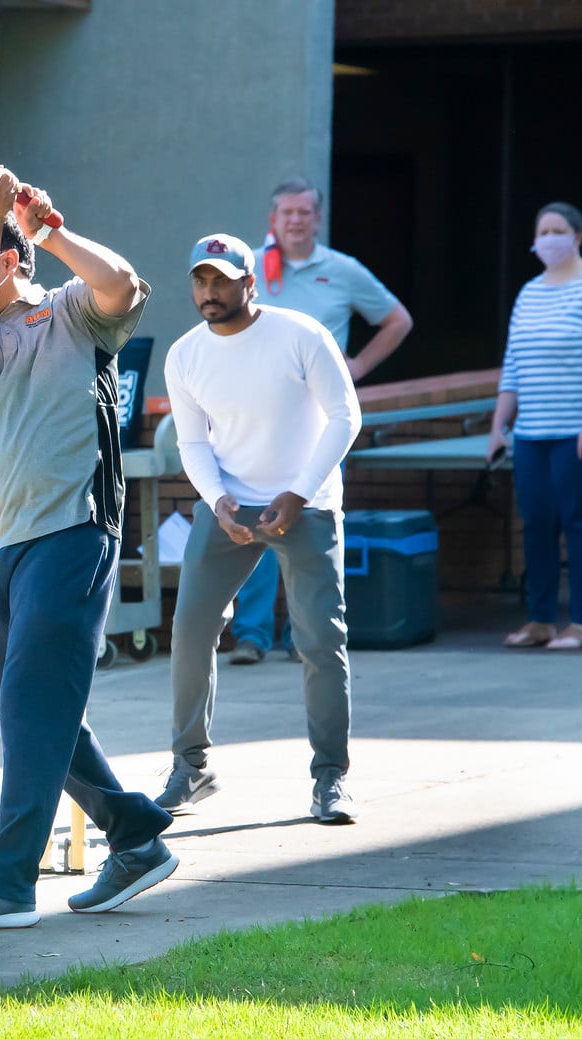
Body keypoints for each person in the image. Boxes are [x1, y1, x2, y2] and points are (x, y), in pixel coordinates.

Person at [0, 171, 176, 931]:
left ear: (13, 259)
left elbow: (121, 283)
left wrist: (46, 227)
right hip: (3, 549)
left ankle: (5, 883)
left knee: (34, 704)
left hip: (74, 529)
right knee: (42, 713)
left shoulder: (71, 316)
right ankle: (134, 836)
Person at [159, 233, 362, 821]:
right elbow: (193, 441)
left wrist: (298, 493)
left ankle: (331, 777)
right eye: (201, 280)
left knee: (320, 640)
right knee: (191, 629)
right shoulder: (185, 354)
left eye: (222, 279)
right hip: (229, 506)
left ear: (251, 282)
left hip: (308, 503)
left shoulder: (302, 335)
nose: (209, 291)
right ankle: (190, 769)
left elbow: (346, 417)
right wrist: (218, 501)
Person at [227, 178, 413, 667]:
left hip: (320, 421)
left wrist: (358, 367)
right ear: (273, 220)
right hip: (258, 418)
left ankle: (302, 636)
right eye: (286, 212)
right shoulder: (251, 270)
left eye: (304, 212)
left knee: (310, 524)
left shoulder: (342, 270)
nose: (295, 220)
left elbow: (398, 320)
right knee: (256, 523)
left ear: (317, 217)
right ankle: (251, 635)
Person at [489, 203, 582, 651]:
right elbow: (513, 364)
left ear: (578, 237)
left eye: (559, 230)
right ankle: (539, 620)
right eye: (543, 232)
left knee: (579, 521)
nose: (550, 239)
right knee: (536, 522)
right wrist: (500, 425)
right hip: (533, 432)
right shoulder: (530, 292)